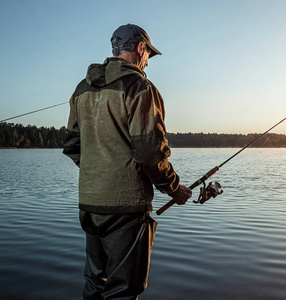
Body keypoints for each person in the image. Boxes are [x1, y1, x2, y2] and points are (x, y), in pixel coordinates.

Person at [63, 24, 192, 300]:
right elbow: (149, 152)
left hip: (89, 204)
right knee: (123, 291)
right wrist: (174, 189)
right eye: (148, 56)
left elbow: (73, 145)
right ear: (140, 48)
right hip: (126, 208)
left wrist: (98, 172)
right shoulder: (140, 87)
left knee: (95, 286)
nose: (147, 62)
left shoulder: (81, 89)